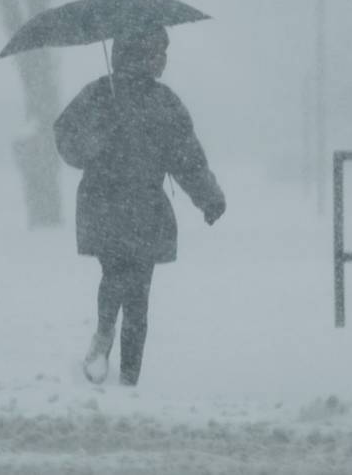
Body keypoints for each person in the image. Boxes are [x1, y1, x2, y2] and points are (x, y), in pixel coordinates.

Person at [54, 25, 225, 386]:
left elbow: (187, 160)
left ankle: (115, 356)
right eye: (156, 52)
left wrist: (208, 196)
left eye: (163, 52)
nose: (162, 59)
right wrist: (208, 197)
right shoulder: (156, 101)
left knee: (125, 284)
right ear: (136, 55)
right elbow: (187, 160)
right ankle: (121, 366)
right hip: (132, 207)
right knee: (132, 287)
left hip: (113, 206)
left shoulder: (104, 94)